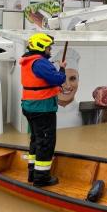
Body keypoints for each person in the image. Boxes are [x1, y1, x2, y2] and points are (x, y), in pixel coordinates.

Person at [19, 33, 66, 187]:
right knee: (46, 142)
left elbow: (45, 81)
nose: (49, 50)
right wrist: (62, 70)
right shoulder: (40, 63)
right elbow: (58, 79)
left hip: (30, 106)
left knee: (36, 139)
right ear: (40, 47)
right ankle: (41, 178)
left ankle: (32, 173)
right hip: (42, 108)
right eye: (48, 47)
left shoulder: (28, 61)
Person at [51, 48, 82, 128]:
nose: (67, 85)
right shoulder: (41, 114)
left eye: (72, 78)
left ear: (78, 80)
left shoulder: (86, 113)